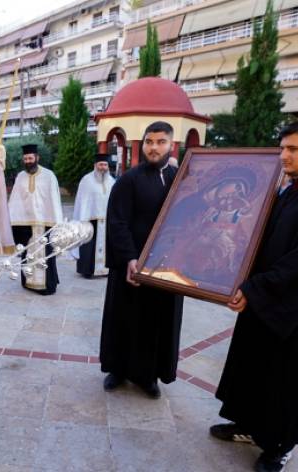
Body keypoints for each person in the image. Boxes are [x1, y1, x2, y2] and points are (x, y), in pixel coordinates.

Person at [211, 118, 298, 472]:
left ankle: (280, 445)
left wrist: (254, 288)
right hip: (263, 300)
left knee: (287, 379)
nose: (283, 155)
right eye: (282, 147)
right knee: (254, 368)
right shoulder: (288, 191)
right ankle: (248, 426)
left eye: (292, 149)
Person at [100, 121, 183, 399]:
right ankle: (118, 369)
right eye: (149, 142)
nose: (154, 147)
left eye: (160, 142)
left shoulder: (181, 179)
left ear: (171, 144)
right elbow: (118, 222)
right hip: (132, 267)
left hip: (167, 268)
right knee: (125, 319)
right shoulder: (128, 180)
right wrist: (129, 258)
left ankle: (149, 376)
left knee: (157, 322)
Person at [8, 143, 63, 295]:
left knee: (46, 255)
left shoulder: (49, 175)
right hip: (26, 224)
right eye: (25, 159)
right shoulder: (20, 177)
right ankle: (28, 282)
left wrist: (56, 221)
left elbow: (54, 200)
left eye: (30, 158)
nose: (28, 161)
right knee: (28, 253)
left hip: (45, 223)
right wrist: (14, 220)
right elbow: (15, 201)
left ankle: (48, 284)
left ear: (37, 158)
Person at [72, 153, 115, 278]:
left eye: (105, 164)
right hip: (89, 219)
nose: (103, 167)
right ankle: (87, 270)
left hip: (106, 220)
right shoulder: (86, 180)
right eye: (100, 164)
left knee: (107, 246)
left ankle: (105, 269)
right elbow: (82, 202)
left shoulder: (111, 181)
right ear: (95, 165)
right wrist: (83, 218)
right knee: (88, 246)